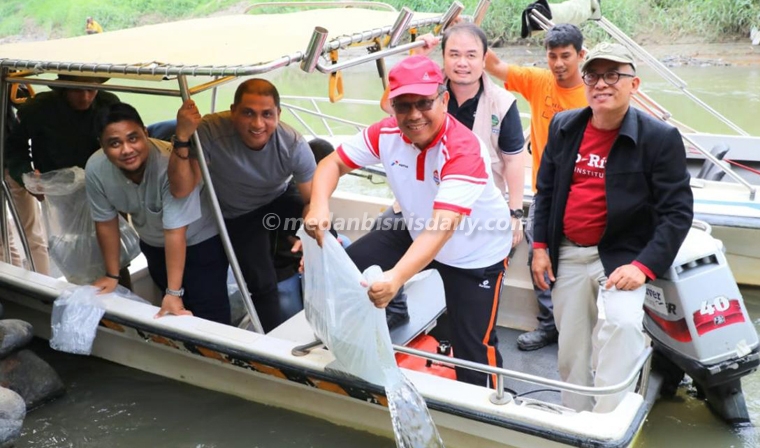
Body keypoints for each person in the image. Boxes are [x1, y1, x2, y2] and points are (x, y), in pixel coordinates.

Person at [304, 56, 511, 387]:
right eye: (403, 105)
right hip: (416, 226)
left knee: (472, 346)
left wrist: (396, 277)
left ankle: (489, 406)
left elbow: (442, 228)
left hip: (474, 251)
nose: (414, 115)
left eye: (424, 103)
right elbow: (332, 164)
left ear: (443, 100)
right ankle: (383, 326)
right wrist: (318, 206)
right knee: (349, 267)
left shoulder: (462, 150)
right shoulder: (385, 132)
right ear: (392, 107)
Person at [531, 43, 693, 412]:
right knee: (571, 347)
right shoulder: (564, 126)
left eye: (612, 75)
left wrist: (643, 266)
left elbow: (677, 212)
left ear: (634, 84)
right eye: (593, 75)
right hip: (568, 251)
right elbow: (546, 191)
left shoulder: (659, 138)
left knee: (621, 325)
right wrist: (540, 246)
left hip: (623, 255)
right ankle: (575, 416)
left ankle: (607, 419)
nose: (601, 84)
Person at [169, 79, 316, 332]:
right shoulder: (211, 132)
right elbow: (181, 189)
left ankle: (330, 317)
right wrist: (182, 137)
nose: (258, 124)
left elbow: (314, 201)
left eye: (267, 115)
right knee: (261, 281)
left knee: (326, 233)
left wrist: (309, 231)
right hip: (240, 213)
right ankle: (272, 342)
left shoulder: (292, 143)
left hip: (279, 198)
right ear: (233, 111)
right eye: (248, 113)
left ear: (278, 115)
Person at [484, 23, 588, 351]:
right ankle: (550, 325)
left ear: (581, 55)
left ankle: (582, 329)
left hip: (582, 193)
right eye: (552, 56)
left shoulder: (593, 93)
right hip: (545, 193)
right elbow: (495, 66)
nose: (558, 63)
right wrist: (469, 35)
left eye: (566, 56)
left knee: (579, 262)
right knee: (537, 256)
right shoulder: (538, 81)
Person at [86, 103, 230, 324]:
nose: (126, 150)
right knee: (173, 315)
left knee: (209, 314)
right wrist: (113, 274)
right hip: (154, 244)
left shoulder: (169, 164)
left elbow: (175, 231)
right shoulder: (96, 168)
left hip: (200, 242)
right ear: (101, 145)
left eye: (133, 138)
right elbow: (105, 222)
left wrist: (173, 293)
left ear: (145, 132)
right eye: (115, 143)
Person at [416, 23, 526, 248]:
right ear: (444, 57)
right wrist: (417, 59)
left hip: (480, 209)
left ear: (484, 59)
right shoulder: (426, 93)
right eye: (454, 55)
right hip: (428, 205)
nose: (462, 63)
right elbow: (388, 106)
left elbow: (514, 159)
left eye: (471, 55)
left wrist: (515, 214)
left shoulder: (503, 103)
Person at [6, 74, 121, 276]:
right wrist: (28, 177)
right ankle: (83, 288)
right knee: (76, 248)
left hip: (106, 186)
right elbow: (14, 149)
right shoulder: (37, 109)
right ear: (63, 89)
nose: (85, 97)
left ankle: (119, 288)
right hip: (61, 193)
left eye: (91, 90)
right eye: (77, 90)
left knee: (116, 253)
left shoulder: (108, 103)